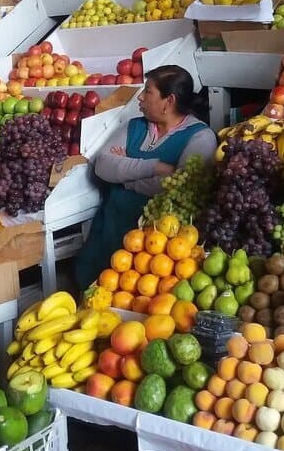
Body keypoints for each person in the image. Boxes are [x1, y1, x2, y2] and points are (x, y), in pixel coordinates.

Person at [74, 65, 217, 288]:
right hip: (107, 235)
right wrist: (157, 166)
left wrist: (124, 176)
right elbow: (103, 166)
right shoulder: (135, 126)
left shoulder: (201, 137)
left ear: (168, 101)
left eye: (148, 91)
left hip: (155, 251)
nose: (140, 97)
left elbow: (179, 188)